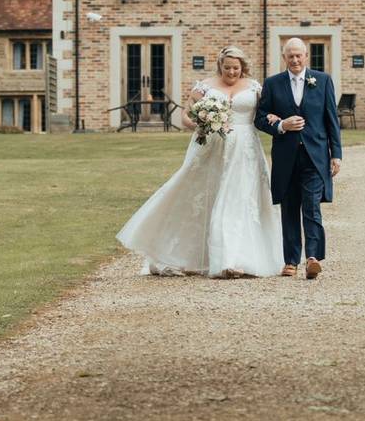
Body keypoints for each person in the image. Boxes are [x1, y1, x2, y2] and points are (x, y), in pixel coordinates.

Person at [116, 46, 283, 278]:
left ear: (242, 67)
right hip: (211, 147)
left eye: (236, 68)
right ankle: (185, 254)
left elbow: (264, 114)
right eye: (227, 68)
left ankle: (235, 258)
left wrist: (274, 116)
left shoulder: (255, 88)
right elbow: (185, 115)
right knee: (202, 195)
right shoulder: (205, 86)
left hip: (245, 149)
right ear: (220, 66)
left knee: (240, 198)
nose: (231, 72)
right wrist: (201, 124)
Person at [254, 37, 342, 280]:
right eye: (290, 56)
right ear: (284, 58)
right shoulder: (273, 84)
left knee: (312, 206)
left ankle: (312, 258)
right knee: (289, 207)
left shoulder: (322, 81)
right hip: (286, 156)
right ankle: (291, 261)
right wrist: (282, 125)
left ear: (306, 57)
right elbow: (260, 119)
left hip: (315, 156)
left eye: (298, 55)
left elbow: (331, 120)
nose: (294, 59)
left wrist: (337, 155)